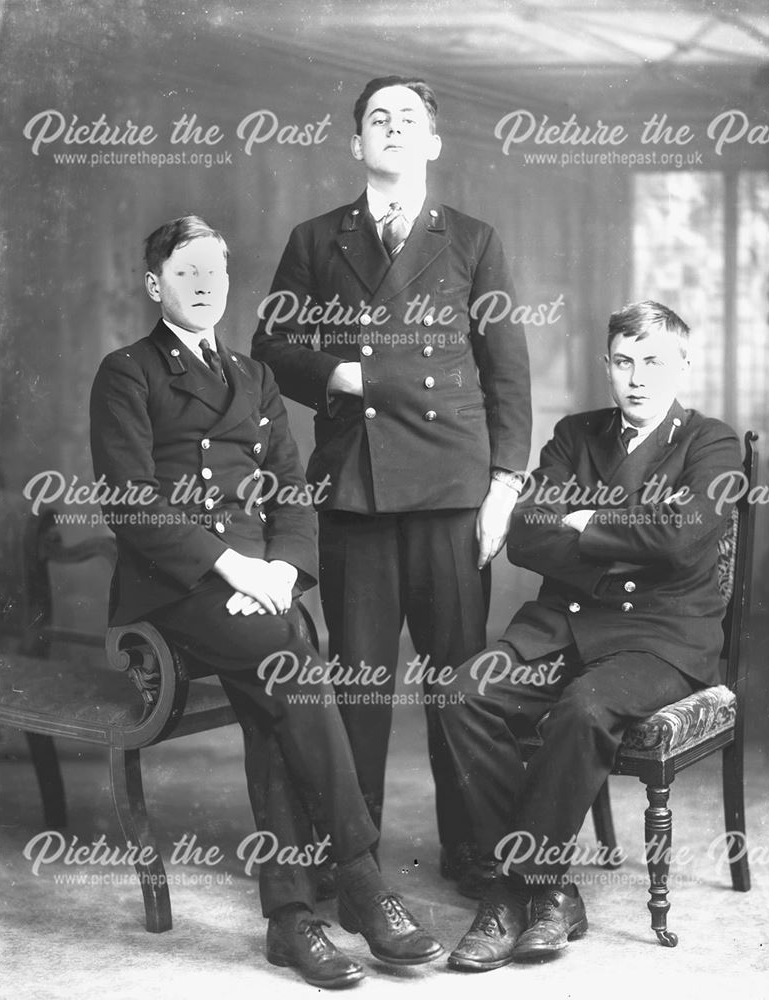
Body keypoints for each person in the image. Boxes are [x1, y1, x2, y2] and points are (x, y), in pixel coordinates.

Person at [89, 215, 443, 989]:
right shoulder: (127, 372)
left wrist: (283, 570)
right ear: (156, 287)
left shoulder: (254, 377)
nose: (205, 283)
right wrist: (231, 567)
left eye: (215, 269)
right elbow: (132, 502)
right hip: (172, 590)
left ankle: (290, 922)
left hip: (259, 589)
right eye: (186, 272)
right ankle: (360, 878)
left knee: (277, 688)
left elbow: (289, 491)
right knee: (293, 665)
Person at [251, 76, 532, 895]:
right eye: (378, 119)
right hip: (355, 491)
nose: (394, 129)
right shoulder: (314, 238)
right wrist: (340, 370)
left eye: (409, 119)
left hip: (452, 490)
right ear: (356, 145)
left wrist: (505, 486)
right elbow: (271, 347)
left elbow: (505, 374)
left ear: (433, 143)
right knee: (360, 681)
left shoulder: (474, 239)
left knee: (456, 683)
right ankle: (355, 857)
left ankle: (477, 853)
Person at [438, 300, 743, 970]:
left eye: (654, 362)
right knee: (462, 694)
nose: (637, 378)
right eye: (624, 362)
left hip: (661, 640)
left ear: (682, 365)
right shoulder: (575, 435)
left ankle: (515, 892)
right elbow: (523, 536)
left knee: (583, 708)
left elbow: (683, 541)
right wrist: (618, 536)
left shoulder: (711, 443)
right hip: (565, 628)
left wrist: (580, 523)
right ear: (606, 365)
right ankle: (543, 891)